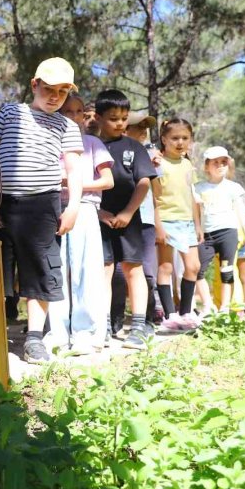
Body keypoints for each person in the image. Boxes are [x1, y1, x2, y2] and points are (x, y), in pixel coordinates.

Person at [0, 57, 83, 364]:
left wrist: (74, 206)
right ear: (34, 85)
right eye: (48, 89)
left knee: (40, 270)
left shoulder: (67, 125)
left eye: (62, 92)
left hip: (42, 206)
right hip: (1, 204)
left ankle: (33, 339)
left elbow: (73, 168)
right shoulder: (11, 112)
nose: (54, 96)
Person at [47, 94, 114, 354]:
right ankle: (57, 332)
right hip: (54, 209)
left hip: (85, 209)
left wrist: (73, 183)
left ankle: (86, 332)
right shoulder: (48, 144)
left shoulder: (93, 143)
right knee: (57, 270)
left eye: (78, 112)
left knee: (88, 270)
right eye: (67, 111)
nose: (73, 117)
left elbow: (107, 181)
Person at [95, 90, 157, 349]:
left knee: (133, 269)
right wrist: (100, 213)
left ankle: (139, 326)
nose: (120, 123)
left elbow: (143, 183)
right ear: (98, 118)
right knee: (105, 271)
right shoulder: (89, 145)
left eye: (123, 118)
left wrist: (128, 213)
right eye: (113, 118)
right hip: (98, 220)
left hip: (130, 219)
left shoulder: (135, 147)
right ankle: (104, 325)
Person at [194, 146, 245, 313]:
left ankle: (225, 307)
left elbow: (242, 212)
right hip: (206, 235)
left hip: (228, 232)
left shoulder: (234, 188)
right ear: (206, 166)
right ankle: (208, 304)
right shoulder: (198, 188)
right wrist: (198, 230)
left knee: (227, 270)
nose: (221, 165)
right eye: (215, 163)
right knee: (197, 270)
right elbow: (195, 213)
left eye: (224, 162)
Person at [154, 118, 203, 330]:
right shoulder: (158, 165)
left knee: (193, 267)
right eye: (174, 138)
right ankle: (170, 315)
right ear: (164, 139)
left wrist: (198, 225)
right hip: (166, 220)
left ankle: (185, 312)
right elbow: (153, 198)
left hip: (187, 223)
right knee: (166, 267)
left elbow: (192, 196)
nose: (180, 142)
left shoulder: (188, 164)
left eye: (185, 138)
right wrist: (158, 227)